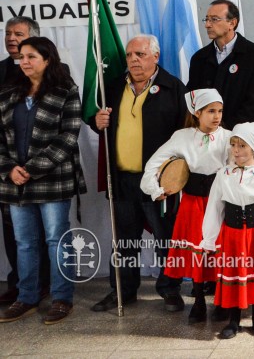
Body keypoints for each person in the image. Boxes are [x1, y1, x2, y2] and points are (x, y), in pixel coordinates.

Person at [89, 35, 188, 313]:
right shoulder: (111, 87)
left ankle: (170, 289)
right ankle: (122, 290)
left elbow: (186, 134)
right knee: (123, 241)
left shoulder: (174, 89)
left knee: (165, 239)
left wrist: (175, 178)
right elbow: (93, 115)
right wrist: (95, 121)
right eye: (130, 55)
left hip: (159, 182)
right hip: (121, 179)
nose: (134, 60)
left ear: (155, 56)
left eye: (141, 54)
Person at [0, 37, 86, 324]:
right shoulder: (9, 93)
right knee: (24, 242)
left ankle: (62, 298)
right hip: (14, 182)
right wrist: (10, 169)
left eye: (31, 56)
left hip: (52, 180)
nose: (23, 61)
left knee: (55, 241)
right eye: (21, 57)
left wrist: (31, 169)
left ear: (47, 59)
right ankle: (27, 296)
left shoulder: (66, 91)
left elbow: (68, 137)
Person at [141, 89, 231, 323]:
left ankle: (222, 300)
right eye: (211, 111)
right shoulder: (182, 137)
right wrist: (155, 189)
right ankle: (199, 301)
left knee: (221, 251)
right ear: (197, 112)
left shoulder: (229, 138)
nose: (217, 116)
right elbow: (153, 165)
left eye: (220, 111)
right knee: (198, 253)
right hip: (193, 203)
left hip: (220, 202)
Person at [200, 122, 254, 339]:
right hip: (232, 235)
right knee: (235, 275)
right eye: (234, 145)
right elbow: (215, 208)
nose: (236, 150)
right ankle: (233, 321)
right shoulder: (223, 174)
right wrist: (209, 238)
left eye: (242, 146)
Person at [0, 17, 50, 306]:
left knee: (45, 231)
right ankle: (19, 284)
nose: (10, 38)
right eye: (7, 33)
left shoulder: (56, 73)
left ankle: (44, 283)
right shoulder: (1, 71)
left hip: (41, 170)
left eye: (18, 33)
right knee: (14, 231)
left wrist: (33, 166)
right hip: (9, 168)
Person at [187, 0, 254, 130]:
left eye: (214, 19)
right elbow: (193, 99)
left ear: (232, 23)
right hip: (205, 138)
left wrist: (224, 132)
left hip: (240, 140)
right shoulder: (199, 58)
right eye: (206, 20)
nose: (207, 25)